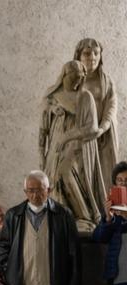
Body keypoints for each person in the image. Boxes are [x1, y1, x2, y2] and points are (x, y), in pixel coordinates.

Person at [40, 60, 104, 232]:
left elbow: (92, 128)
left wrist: (68, 136)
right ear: (64, 75)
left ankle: (83, 216)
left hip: (78, 147)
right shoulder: (53, 97)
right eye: (73, 78)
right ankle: (61, 216)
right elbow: (43, 128)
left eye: (80, 78)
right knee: (53, 178)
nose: (77, 81)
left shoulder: (85, 97)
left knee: (65, 171)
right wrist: (41, 156)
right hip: (56, 147)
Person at [73, 38, 118, 190]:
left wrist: (102, 129)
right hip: (79, 138)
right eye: (87, 53)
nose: (92, 57)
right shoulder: (72, 80)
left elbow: (111, 108)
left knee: (103, 180)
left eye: (96, 53)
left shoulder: (106, 82)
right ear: (78, 56)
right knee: (80, 181)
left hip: (102, 138)